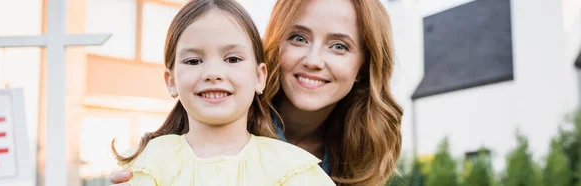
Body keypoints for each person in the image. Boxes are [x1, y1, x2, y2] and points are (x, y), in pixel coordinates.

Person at [111, 0, 403, 185]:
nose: (314, 60)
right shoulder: (214, 115)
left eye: (339, 45)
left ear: (364, 66)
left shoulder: (355, 147)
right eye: (298, 38)